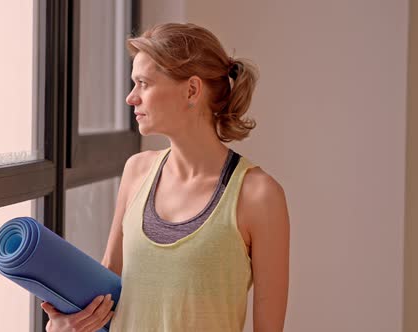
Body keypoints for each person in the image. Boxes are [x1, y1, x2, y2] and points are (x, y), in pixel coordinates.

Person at [42, 22, 290, 332]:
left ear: (191, 90)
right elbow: (106, 294)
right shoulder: (137, 171)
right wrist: (68, 325)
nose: (131, 98)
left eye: (143, 83)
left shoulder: (258, 196)